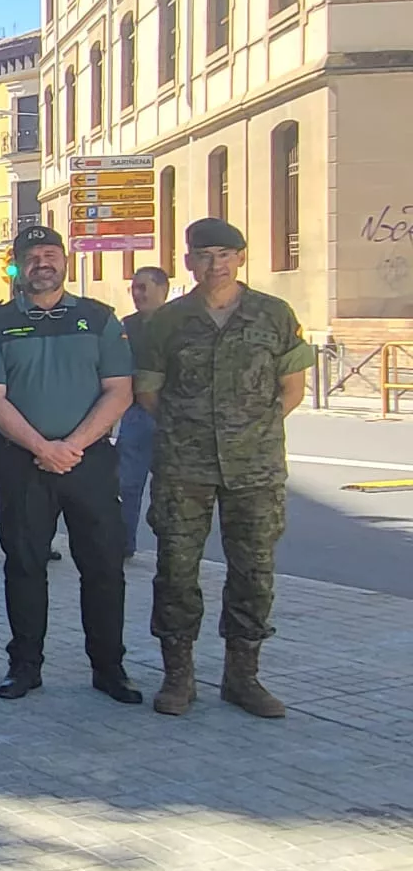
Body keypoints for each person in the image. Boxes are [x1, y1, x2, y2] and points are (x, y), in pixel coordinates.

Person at [137, 218, 313, 719]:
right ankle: (179, 676)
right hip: (183, 468)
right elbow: (149, 393)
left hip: (255, 469)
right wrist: (195, 429)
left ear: (240, 257)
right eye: (204, 256)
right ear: (189, 262)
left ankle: (243, 676)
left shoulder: (273, 314)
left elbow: (293, 388)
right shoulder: (167, 322)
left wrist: (247, 431)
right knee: (175, 571)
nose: (215, 265)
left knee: (254, 572)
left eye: (225, 255)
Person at [0, 225, 141, 705]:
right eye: (32, 256)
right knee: (24, 567)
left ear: (64, 261)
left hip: (88, 462)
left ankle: (109, 668)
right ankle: (25, 666)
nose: (42, 263)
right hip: (23, 465)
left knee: (104, 566)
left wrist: (72, 445)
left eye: (51, 254)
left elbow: (119, 390)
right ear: (18, 265)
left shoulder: (100, 319)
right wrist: (41, 448)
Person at [116, 266, 171, 557]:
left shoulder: (181, 323)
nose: (137, 294)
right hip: (137, 413)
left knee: (171, 488)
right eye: (134, 288)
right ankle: (124, 544)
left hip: (172, 414)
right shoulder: (128, 325)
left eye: (143, 288)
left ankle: (172, 550)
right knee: (127, 483)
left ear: (163, 288)